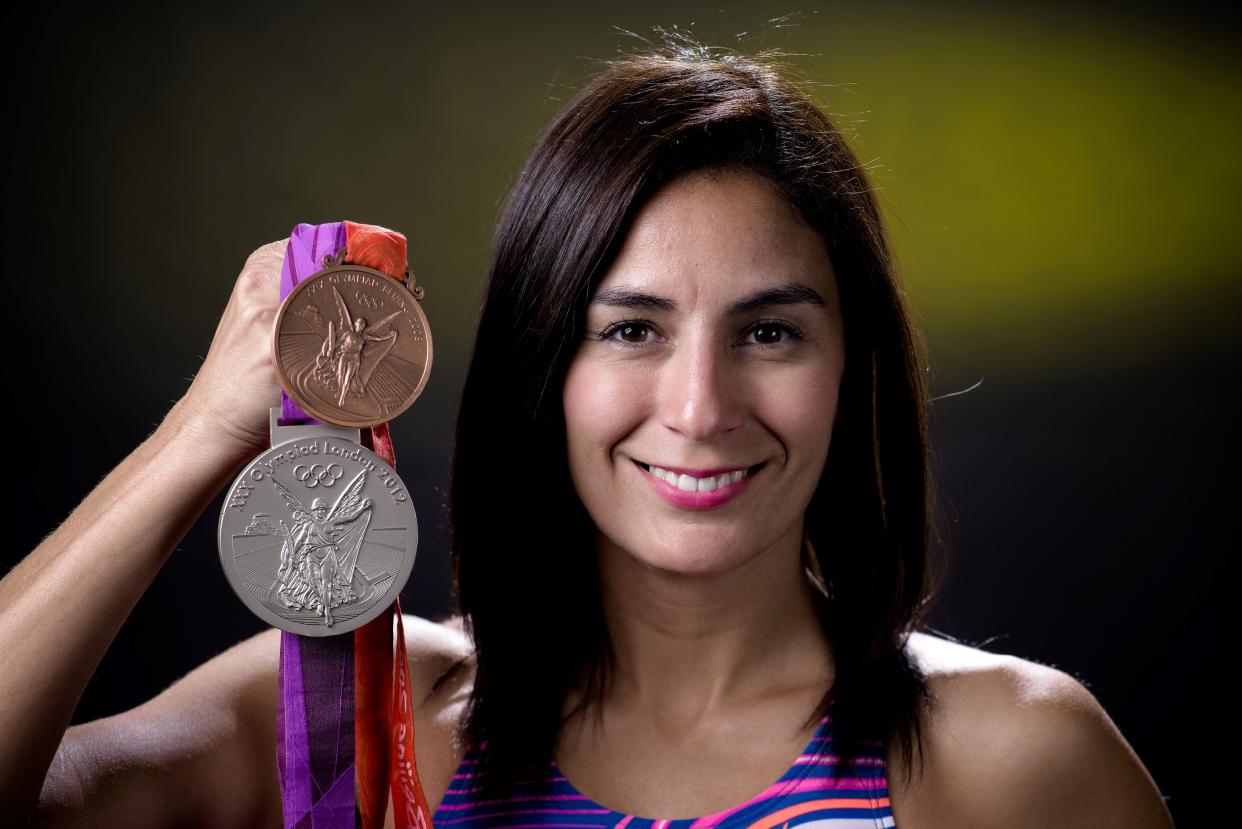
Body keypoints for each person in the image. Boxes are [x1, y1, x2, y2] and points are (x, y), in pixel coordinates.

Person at [2, 41, 1174, 829]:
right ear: (540, 365)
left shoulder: (1011, 759)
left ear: (852, 370)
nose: (702, 406)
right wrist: (203, 429)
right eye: (630, 330)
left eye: (769, 332)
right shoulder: (353, 720)